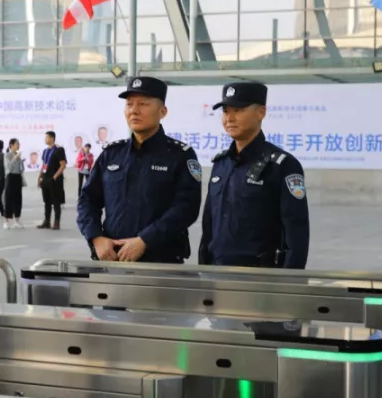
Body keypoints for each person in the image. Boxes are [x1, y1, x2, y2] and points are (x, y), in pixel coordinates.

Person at [77, 76, 202, 263]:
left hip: (161, 262)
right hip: (112, 259)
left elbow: (186, 208)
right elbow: (88, 200)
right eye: (129, 104)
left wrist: (145, 240)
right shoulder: (112, 154)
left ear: (163, 111)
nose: (134, 110)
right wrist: (96, 237)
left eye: (143, 104)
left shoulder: (180, 155)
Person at [200, 82, 311, 269]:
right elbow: (209, 225)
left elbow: (297, 232)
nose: (230, 118)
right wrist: (203, 268)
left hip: (260, 276)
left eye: (238, 110)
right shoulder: (221, 164)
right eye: (226, 111)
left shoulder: (282, 165)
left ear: (261, 112)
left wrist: (291, 280)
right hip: (216, 273)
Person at [37, 131, 67, 229]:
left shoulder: (59, 150)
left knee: (56, 201)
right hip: (45, 178)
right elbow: (44, 165)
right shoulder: (45, 151)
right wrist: (39, 177)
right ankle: (47, 221)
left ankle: (56, 222)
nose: (45, 139)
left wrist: (55, 177)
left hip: (54, 180)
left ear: (52, 138)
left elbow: (63, 165)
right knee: (47, 201)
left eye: (47, 137)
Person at [3, 138, 25, 229]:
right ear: (11, 145)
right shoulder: (7, 155)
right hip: (10, 177)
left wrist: (21, 161)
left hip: (18, 177)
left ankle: (17, 220)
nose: (18, 145)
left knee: (18, 198)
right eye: (17, 144)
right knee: (8, 198)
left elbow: (22, 169)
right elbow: (8, 166)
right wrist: (15, 158)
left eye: (19, 144)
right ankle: (6, 221)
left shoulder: (18, 154)